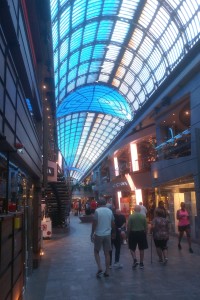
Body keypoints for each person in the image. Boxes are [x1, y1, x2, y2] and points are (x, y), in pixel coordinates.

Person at [91, 199, 115, 278]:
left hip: (98, 234)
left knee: (96, 251)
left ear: (98, 204)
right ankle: (107, 270)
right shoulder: (110, 211)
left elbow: (94, 223)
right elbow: (112, 223)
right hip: (107, 234)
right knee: (107, 253)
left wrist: (92, 232)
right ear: (105, 203)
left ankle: (100, 267)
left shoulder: (97, 211)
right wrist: (113, 232)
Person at [127, 205, 148, 269]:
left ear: (134, 210)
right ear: (140, 210)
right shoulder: (143, 217)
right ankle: (141, 263)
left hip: (133, 233)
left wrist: (128, 235)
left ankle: (135, 259)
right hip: (141, 233)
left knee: (131, 248)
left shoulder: (131, 217)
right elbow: (146, 227)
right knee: (142, 248)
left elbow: (129, 227)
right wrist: (145, 234)